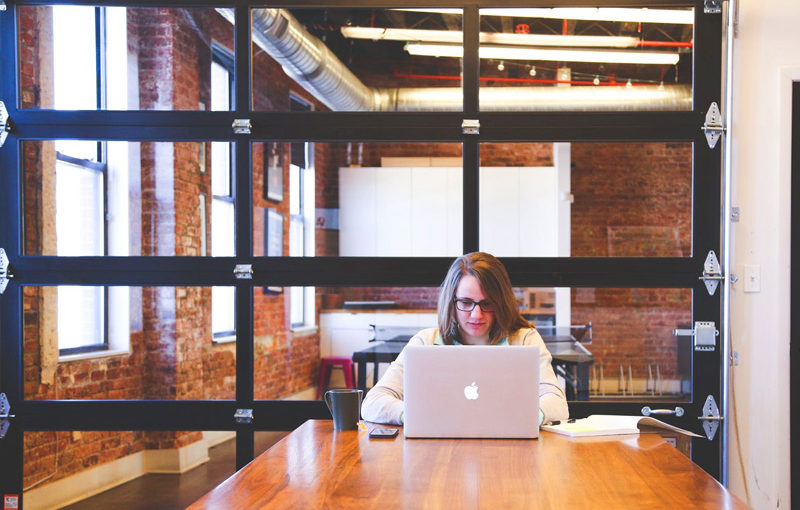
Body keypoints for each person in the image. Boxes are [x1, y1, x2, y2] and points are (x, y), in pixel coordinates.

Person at [361, 252, 569, 426]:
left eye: (487, 304)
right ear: (451, 301)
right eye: (466, 302)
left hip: (509, 451)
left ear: (501, 302)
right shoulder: (425, 342)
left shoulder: (524, 340)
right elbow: (373, 403)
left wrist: (524, 418)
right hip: (438, 452)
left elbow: (558, 404)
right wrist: (416, 415)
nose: (476, 315)